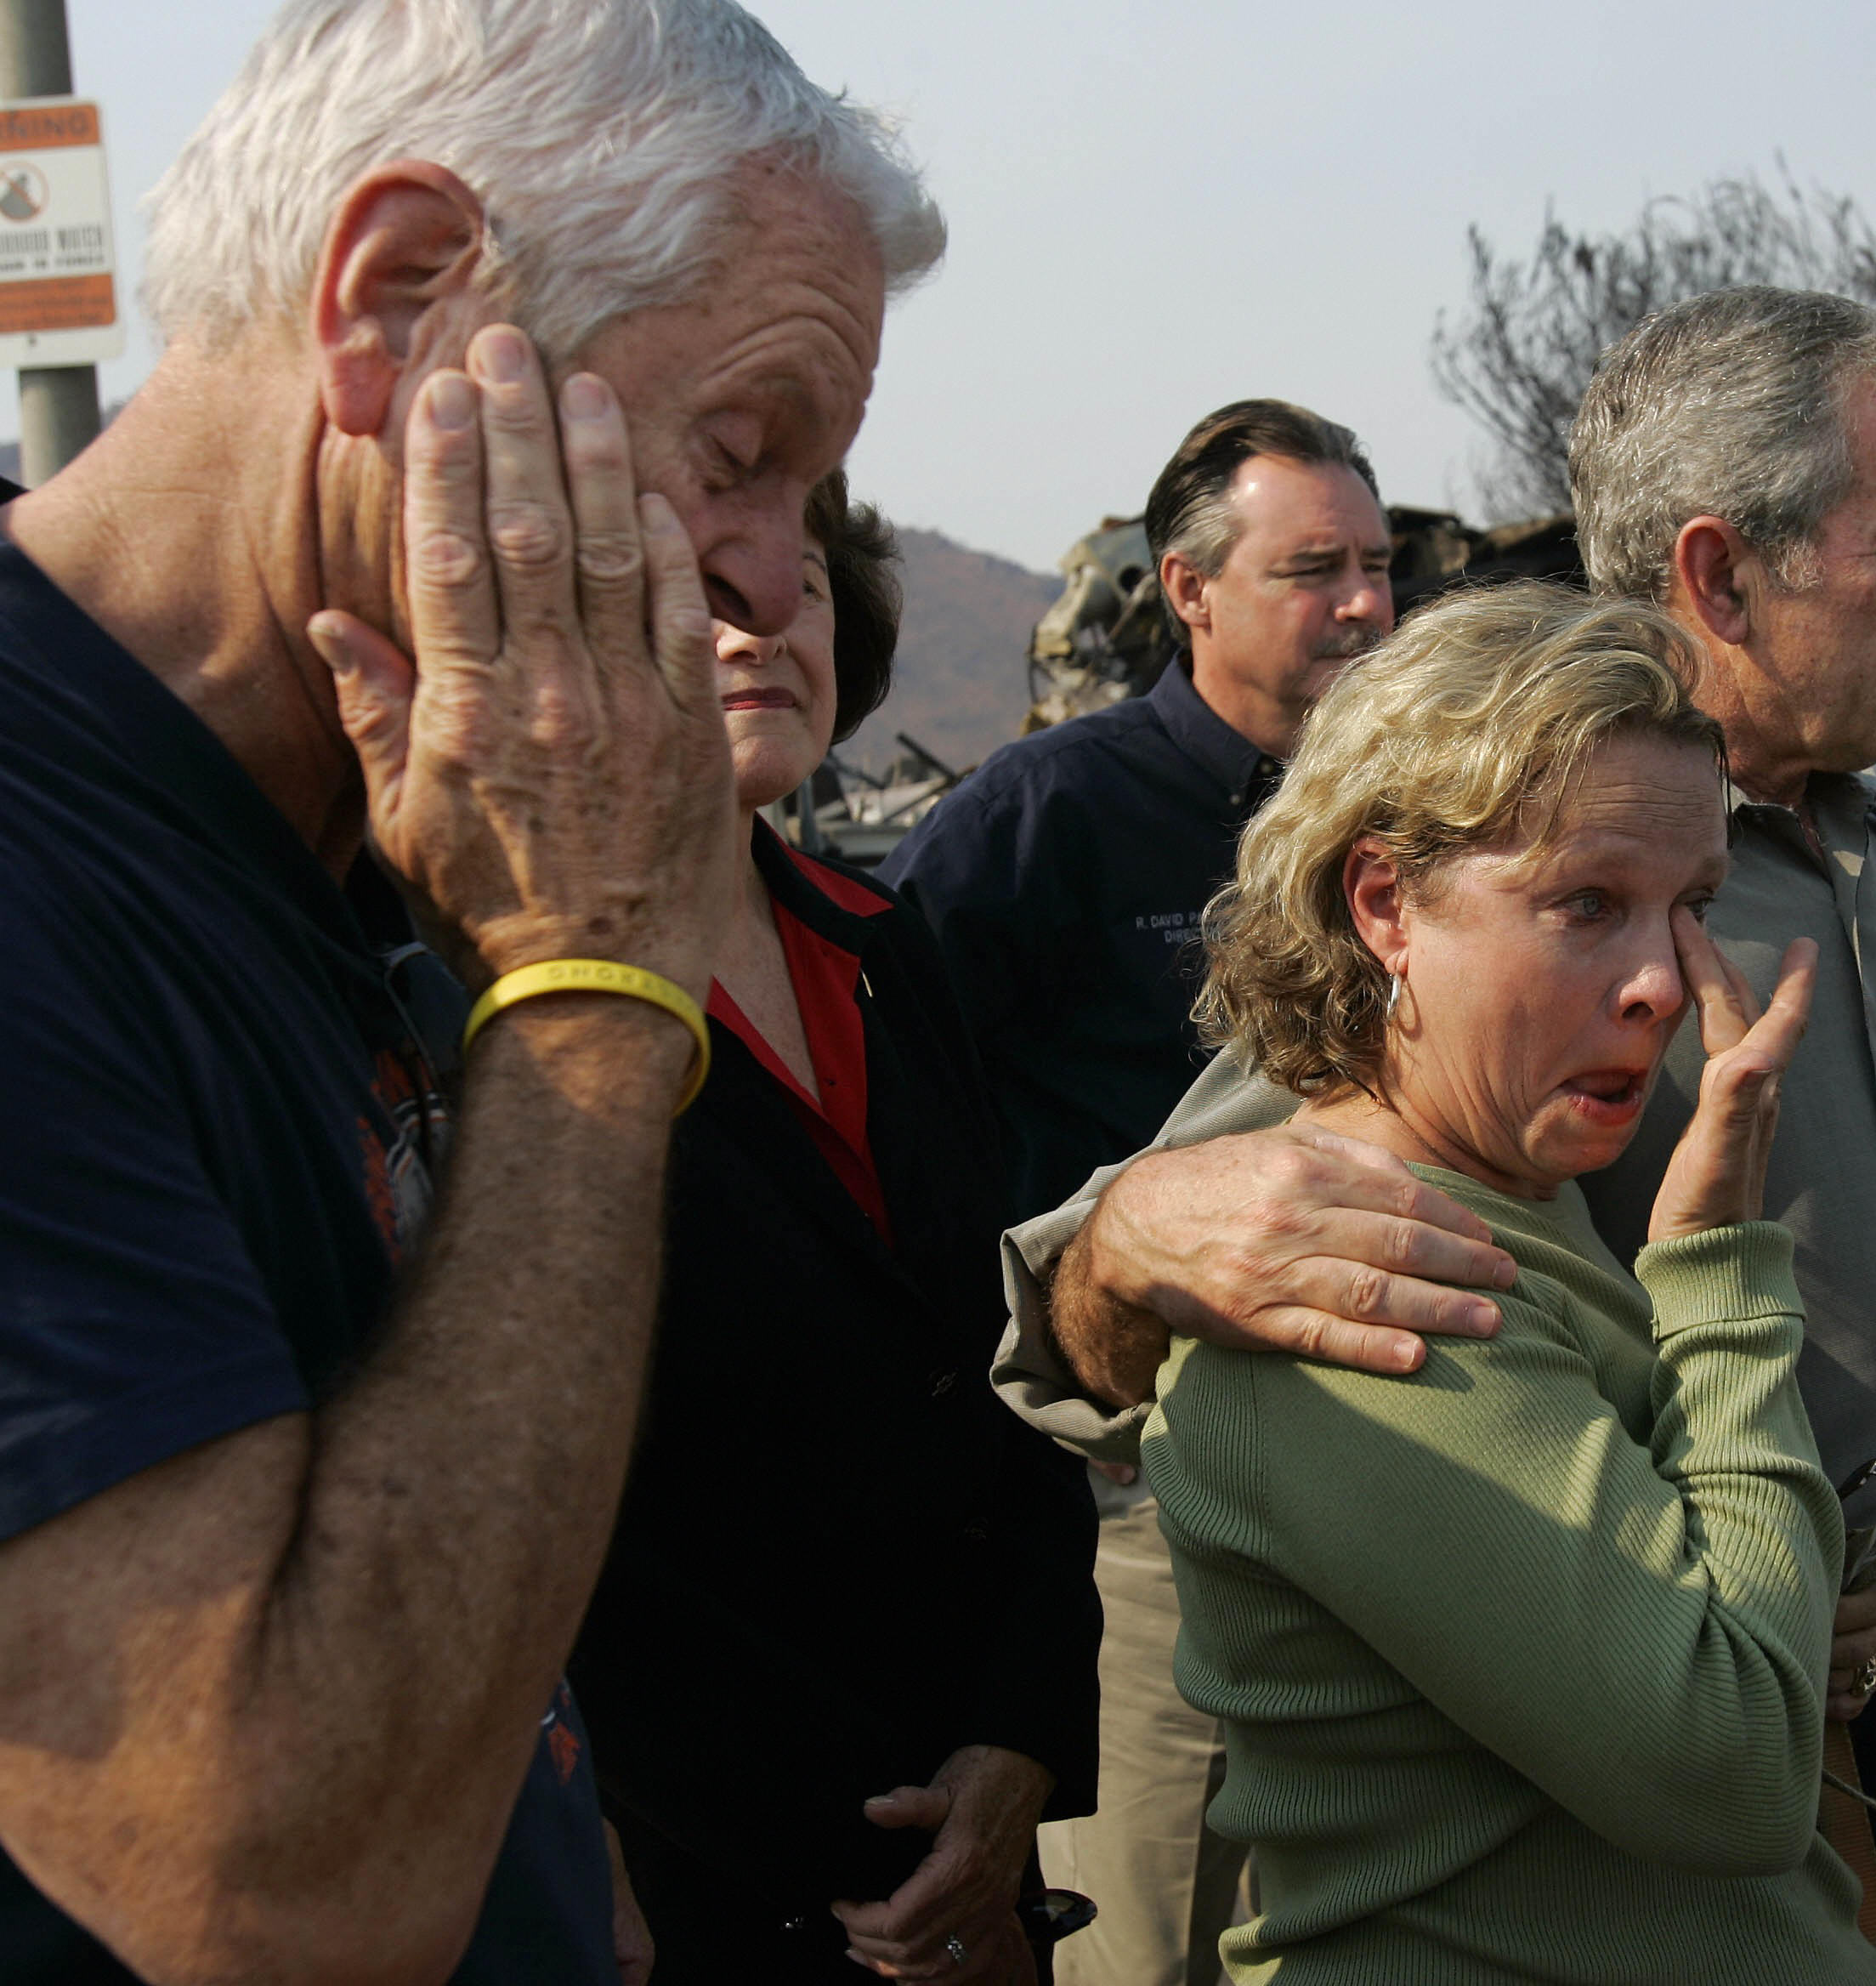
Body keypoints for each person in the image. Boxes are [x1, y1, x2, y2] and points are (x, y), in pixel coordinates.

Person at [992, 287, 1876, 1986]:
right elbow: (1226, 1226)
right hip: (1701, 1764)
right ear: (1720, 572)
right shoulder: (1494, 914)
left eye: (1678, 907)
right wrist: (1129, 1236)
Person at [0, 3, 938, 1978]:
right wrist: (592, 988)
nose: (782, 580)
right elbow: (274, 1884)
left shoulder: (385, 823)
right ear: (401, 295)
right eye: (740, 454)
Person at [1137, 579, 1872, 1981]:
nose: (1663, 982)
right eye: (1586, 903)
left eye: (1692, 907)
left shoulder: (1509, 1193)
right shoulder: (1371, 1277)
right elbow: (1730, 1771)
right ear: (1385, 904)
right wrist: (1717, 1266)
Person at [565, 473, 1098, 1986]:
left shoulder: (879, 937)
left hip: (981, 1858)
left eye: (791, 588)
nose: (758, 635)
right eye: (696, 599)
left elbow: (1006, 1371)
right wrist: (872, 1859)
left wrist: (1020, 1748)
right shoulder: (507, 998)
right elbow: (574, 1537)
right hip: (693, 1891)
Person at [888, 400, 1391, 1986]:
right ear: (1189, 592)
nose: (1369, 603)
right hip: (1145, 1518)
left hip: (1394, 1494)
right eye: (1318, 568)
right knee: (1154, 1941)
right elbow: (904, 1123)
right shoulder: (1048, 819)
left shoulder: (1419, 811)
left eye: (1381, 565)